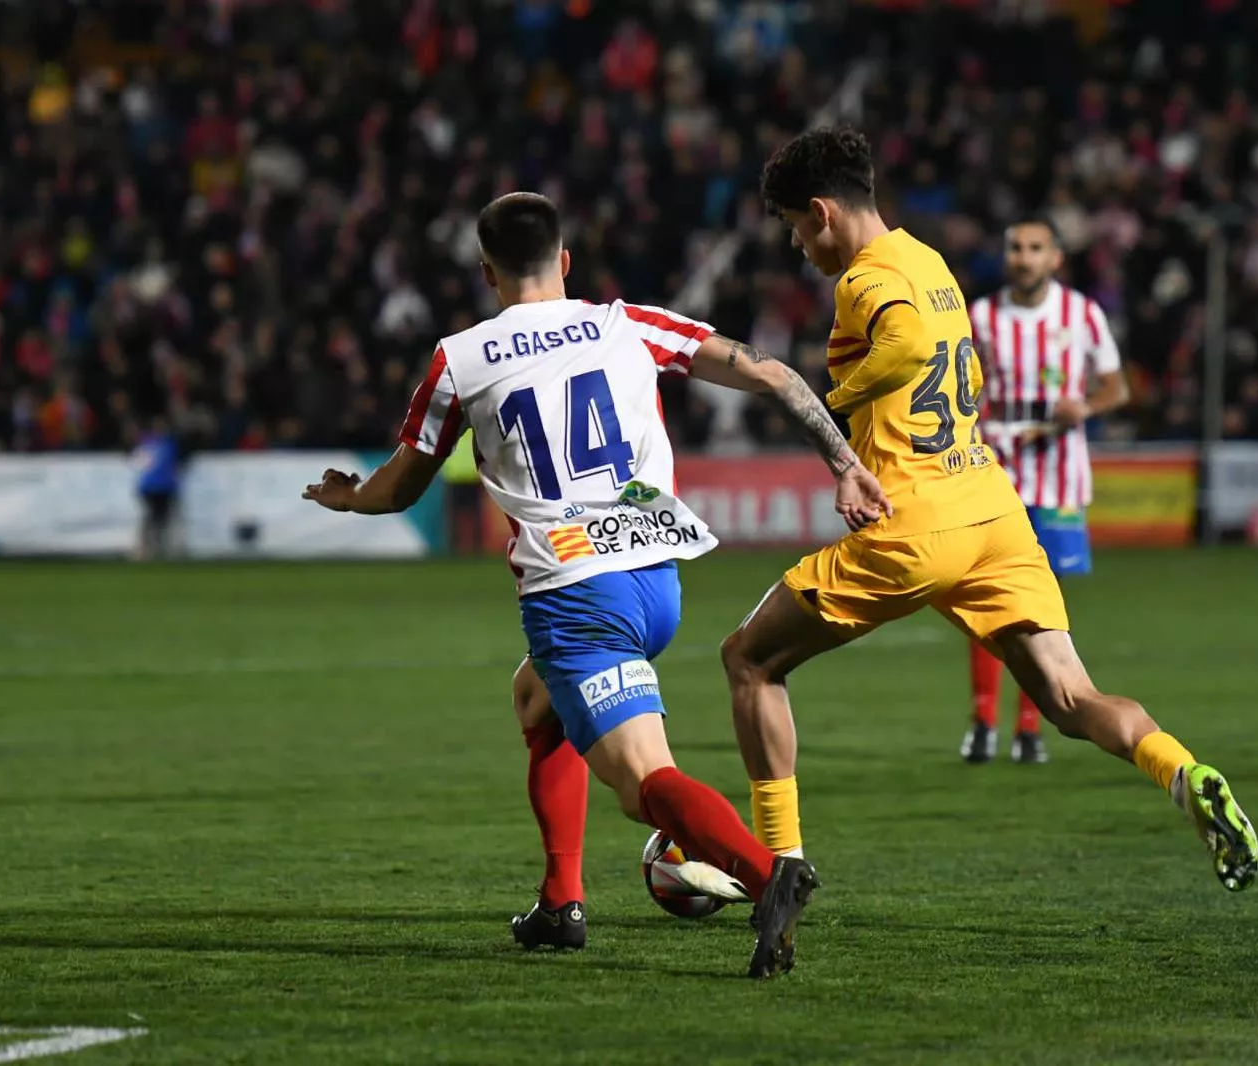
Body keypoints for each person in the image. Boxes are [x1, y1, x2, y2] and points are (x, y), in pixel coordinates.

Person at [302, 192, 891, 978]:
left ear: (487, 273)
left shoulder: (462, 357)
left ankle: (768, 876)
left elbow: (404, 484)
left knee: (641, 779)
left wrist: (350, 497)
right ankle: (560, 903)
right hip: (655, 577)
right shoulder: (627, 323)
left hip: (577, 593)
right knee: (534, 699)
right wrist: (844, 460)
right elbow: (767, 372)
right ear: (566, 261)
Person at [717, 128, 1258, 894]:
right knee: (1073, 699)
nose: (799, 246)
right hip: (993, 511)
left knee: (748, 659)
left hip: (913, 523)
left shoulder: (865, 280)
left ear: (822, 212)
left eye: (795, 228)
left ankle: (782, 862)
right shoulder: (931, 261)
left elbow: (903, 343)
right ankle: (1184, 771)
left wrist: (828, 401)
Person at [961, 215, 1130, 766]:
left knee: (1043, 607)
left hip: (1058, 472)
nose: (1024, 257)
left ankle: (1029, 729)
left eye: (1035, 248)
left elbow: (1114, 386)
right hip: (995, 470)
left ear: (1055, 257)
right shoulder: (980, 316)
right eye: (1015, 247)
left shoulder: (1081, 314)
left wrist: (1086, 406)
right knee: (985, 598)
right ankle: (983, 721)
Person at [132, 415, 182, 560]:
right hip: (151, 487)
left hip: (165, 487)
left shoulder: (171, 444)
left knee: (161, 519)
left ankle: (159, 547)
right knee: (150, 518)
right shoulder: (147, 442)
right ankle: (144, 548)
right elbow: (140, 463)